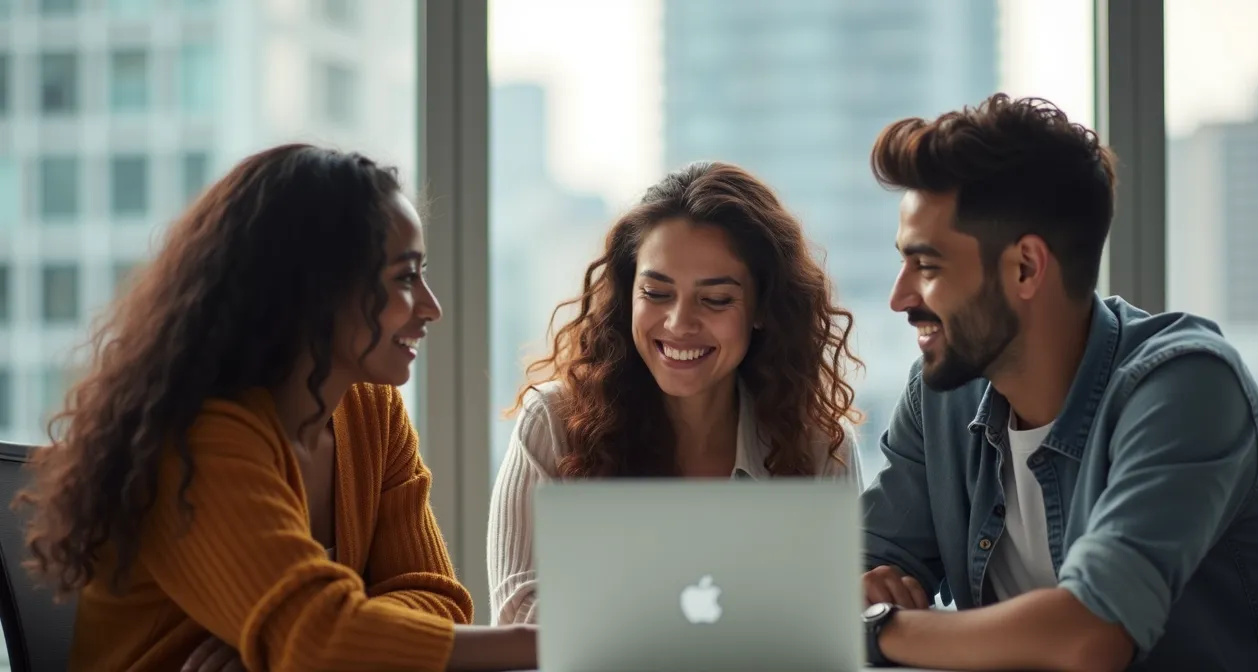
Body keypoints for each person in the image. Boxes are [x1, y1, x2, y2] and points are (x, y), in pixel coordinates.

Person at [14, 144, 537, 671]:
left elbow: (437, 599)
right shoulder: (196, 438)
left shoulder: (372, 411)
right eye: (404, 278)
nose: (432, 307)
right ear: (313, 288)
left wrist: (288, 643)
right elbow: (319, 640)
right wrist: (543, 640)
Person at [856, 93, 1258, 671]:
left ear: (1025, 267)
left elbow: (1090, 635)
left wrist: (880, 631)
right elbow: (855, 578)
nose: (899, 298)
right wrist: (864, 599)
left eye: (927, 266)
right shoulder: (942, 395)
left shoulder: (1187, 387)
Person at [487, 161, 864, 624]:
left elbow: (837, 618)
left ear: (763, 307)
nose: (679, 324)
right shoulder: (553, 421)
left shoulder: (821, 444)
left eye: (716, 299)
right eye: (656, 292)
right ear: (629, 295)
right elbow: (518, 610)